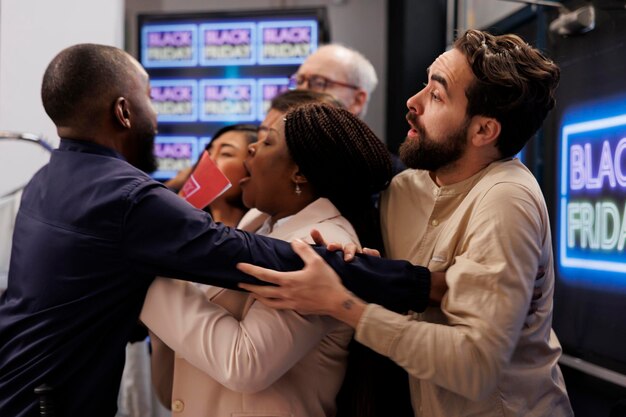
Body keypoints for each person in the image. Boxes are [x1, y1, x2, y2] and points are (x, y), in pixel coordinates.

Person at [0, 44, 436, 417]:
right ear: (123, 112)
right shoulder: (127, 199)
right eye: (150, 97)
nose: (248, 150)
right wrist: (415, 282)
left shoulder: (48, 179)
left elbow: (255, 285)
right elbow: (261, 258)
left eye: (264, 140)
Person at [239, 29, 574, 416]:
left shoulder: (506, 199)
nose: (412, 102)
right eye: (424, 85)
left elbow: (475, 366)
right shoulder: (403, 188)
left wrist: (342, 304)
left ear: (484, 130)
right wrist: (365, 266)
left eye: (436, 95)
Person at [141, 93, 391, 417]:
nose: (252, 149)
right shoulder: (258, 222)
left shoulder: (324, 244)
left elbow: (245, 363)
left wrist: (144, 276)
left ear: (299, 172)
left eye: (266, 142)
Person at [115, 123, 257, 417]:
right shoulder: (180, 241)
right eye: (207, 152)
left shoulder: (262, 243)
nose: (208, 161)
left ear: (252, 170)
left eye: (226, 152)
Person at [291, 43, 406, 178]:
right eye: (300, 81)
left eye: (319, 83)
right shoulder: (279, 158)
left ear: (357, 101)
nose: (302, 90)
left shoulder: (389, 176)